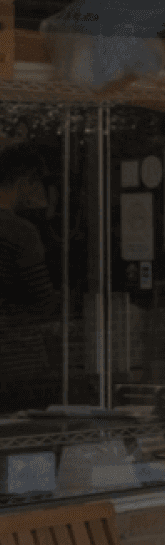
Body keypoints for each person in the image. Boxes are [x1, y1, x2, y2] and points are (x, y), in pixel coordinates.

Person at [0, 144, 60, 412]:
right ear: (25, 181)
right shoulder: (20, 232)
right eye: (38, 183)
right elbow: (43, 300)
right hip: (17, 362)